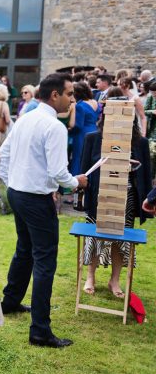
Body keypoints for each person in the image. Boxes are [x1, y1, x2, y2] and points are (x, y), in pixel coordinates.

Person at [0, 73, 88, 348]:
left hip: (18, 194)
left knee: (25, 250)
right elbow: (59, 171)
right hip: (35, 198)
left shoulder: (26, 118)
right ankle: (39, 330)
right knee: (45, 260)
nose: (72, 99)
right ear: (54, 95)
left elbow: (3, 156)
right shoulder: (54, 126)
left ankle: (10, 302)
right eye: (69, 94)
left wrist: (12, 182)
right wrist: (76, 182)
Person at [80, 113, 150, 297]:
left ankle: (115, 280)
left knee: (122, 238)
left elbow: (146, 173)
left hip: (127, 196)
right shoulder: (93, 138)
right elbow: (85, 169)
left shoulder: (140, 142)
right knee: (94, 236)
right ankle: (90, 277)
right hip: (99, 194)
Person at [68, 82, 99, 175]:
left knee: (78, 157)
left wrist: (69, 130)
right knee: (90, 157)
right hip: (94, 130)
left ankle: (77, 179)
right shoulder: (94, 102)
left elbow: (78, 125)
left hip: (82, 134)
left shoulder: (79, 105)